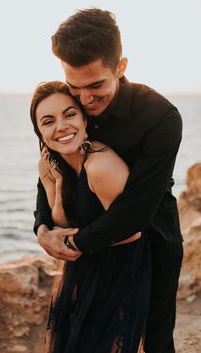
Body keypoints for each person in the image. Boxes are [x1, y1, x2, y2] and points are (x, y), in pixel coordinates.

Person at [34, 8, 183, 353]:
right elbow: (50, 166)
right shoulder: (69, 105)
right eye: (75, 87)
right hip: (90, 247)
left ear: (121, 66)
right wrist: (41, 227)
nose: (85, 99)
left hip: (152, 237)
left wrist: (72, 244)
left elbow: (137, 210)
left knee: (155, 337)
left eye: (96, 85)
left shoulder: (161, 117)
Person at [30, 80, 151, 353]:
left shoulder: (100, 164)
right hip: (83, 266)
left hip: (121, 268)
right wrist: (58, 187)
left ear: (84, 119)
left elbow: (130, 231)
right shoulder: (49, 163)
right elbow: (62, 225)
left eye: (69, 114)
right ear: (39, 131)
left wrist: (72, 245)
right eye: (48, 121)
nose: (61, 126)